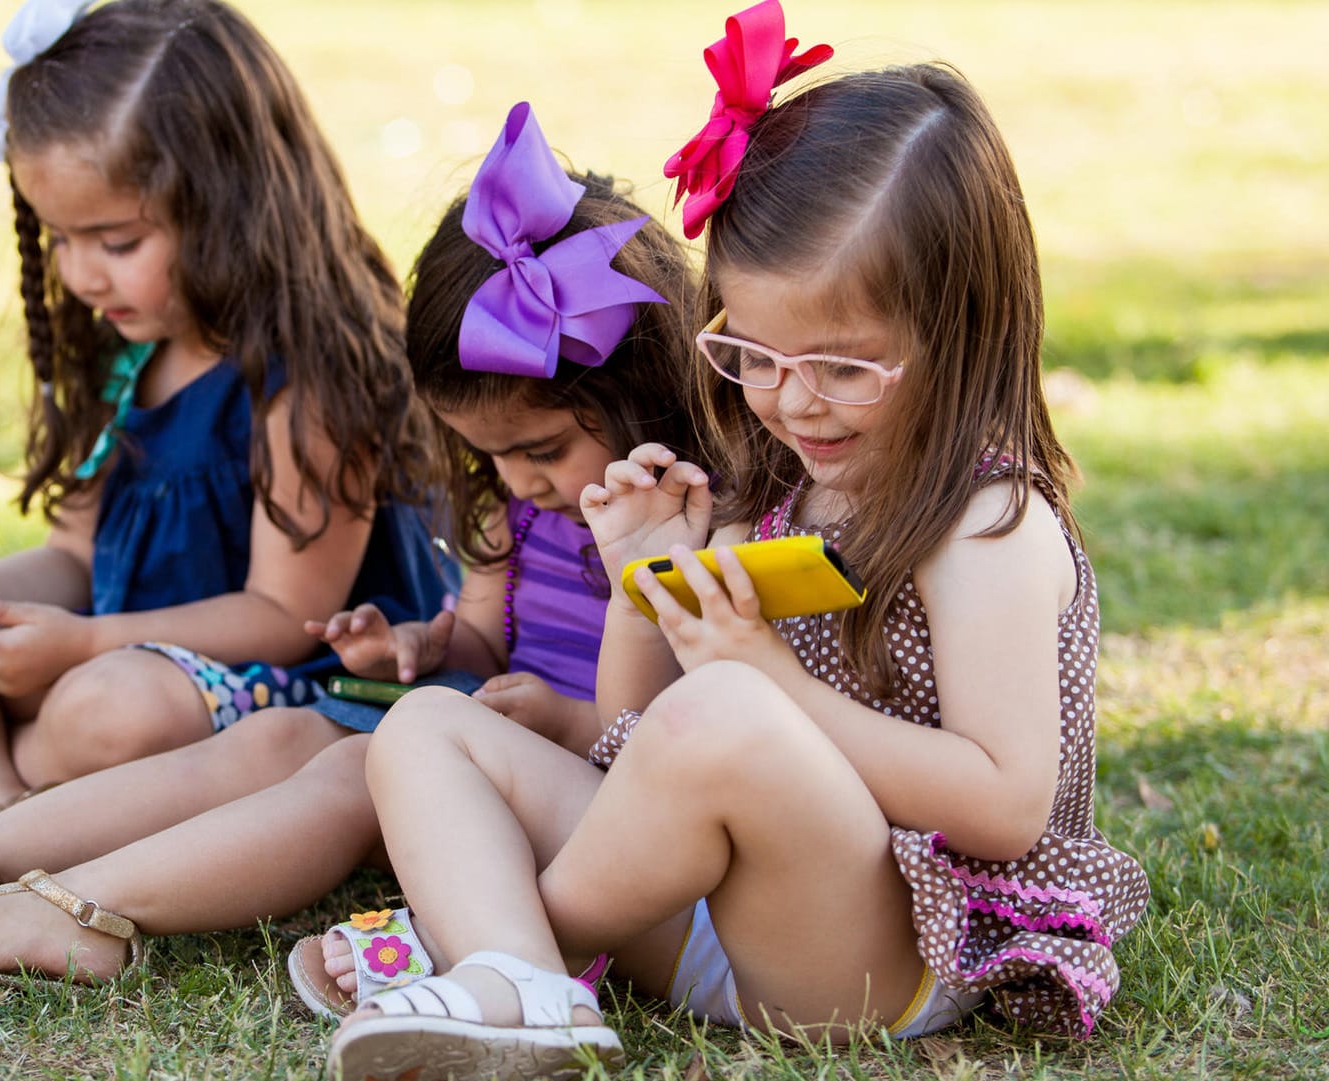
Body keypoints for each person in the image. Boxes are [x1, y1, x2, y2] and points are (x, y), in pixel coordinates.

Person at [325, 5, 1152, 1080]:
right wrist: (643, 587)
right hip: (725, 910)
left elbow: (1003, 805)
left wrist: (765, 682)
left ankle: (493, 948)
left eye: (845, 367)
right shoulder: (777, 487)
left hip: (884, 952)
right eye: (752, 354)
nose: (792, 401)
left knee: (725, 711)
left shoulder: (983, 526)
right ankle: (520, 977)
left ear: (964, 333)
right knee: (427, 729)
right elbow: (632, 742)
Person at [0, 104, 719, 998]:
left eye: (541, 451)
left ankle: (87, 907)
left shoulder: (696, 525)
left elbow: (686, 732)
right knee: (281, 737)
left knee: (350, 774)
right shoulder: (509, 517)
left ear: (639, 389)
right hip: (474, 748)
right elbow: (481, 646)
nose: (516, 482)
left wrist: (556, 718)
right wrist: (420, 648)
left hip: (599, 807)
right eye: (488, 455)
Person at [0, 0, 453, 827]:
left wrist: (77, 647)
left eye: (115, 243)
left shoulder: (311, 381)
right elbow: (74, 559)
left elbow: (282, 619)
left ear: (230, 207)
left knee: (109, 708)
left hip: (283, 686)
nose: (80, 275)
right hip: (103, 660)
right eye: (59, 239)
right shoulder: (126, 353)